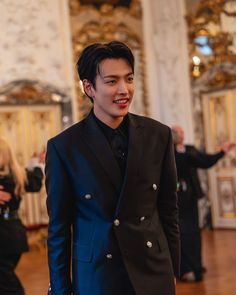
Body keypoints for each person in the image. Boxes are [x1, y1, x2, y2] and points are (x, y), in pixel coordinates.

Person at [46, 41, 180, 295]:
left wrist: (173, 269)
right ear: (89, 88)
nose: (124, 90)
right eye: (111, 81)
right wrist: (61, 290)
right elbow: (59, 229)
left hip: (153, 269)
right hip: (97, 275)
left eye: (129, 79)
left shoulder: (158, 135)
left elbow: (168, 210)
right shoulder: (64, 147)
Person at [171, 125, 236, 282]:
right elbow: (192, 160)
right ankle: (186, 269)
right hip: (179, 198)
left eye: (181, 131)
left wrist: (222, 152)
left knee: (193, 232)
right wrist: (222, 151)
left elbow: (205, 161)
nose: (181, 134)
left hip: (191, 197)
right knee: (184, 234)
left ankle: (196, 265)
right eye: (177, 132)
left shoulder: (189, 149)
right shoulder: (171, 152)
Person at [0, 138, 44, 295]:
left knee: (7, 284)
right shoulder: (17, 176)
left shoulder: (6, 179)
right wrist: (37, 164)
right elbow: (35, 181)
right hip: (14, 233)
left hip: (4, 237)